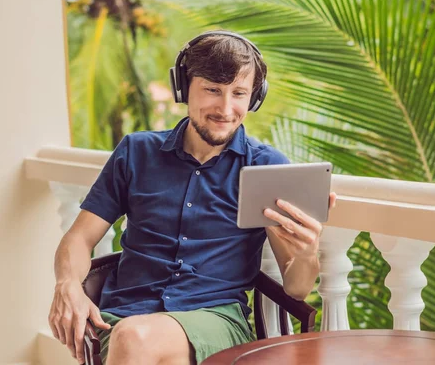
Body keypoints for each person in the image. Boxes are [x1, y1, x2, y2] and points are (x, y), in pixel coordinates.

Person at [48, 30, 336, 365]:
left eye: (239, 93)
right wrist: (67, 284)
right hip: (123, 316)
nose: (226, 108)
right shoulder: (135, 152)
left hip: (215, 322)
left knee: (135, 338)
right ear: (184, 88)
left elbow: (297, 288)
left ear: (253, 98)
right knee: (136, 337)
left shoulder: (265, 167)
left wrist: (307, 253)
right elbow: (80, 237)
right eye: (212, 90)